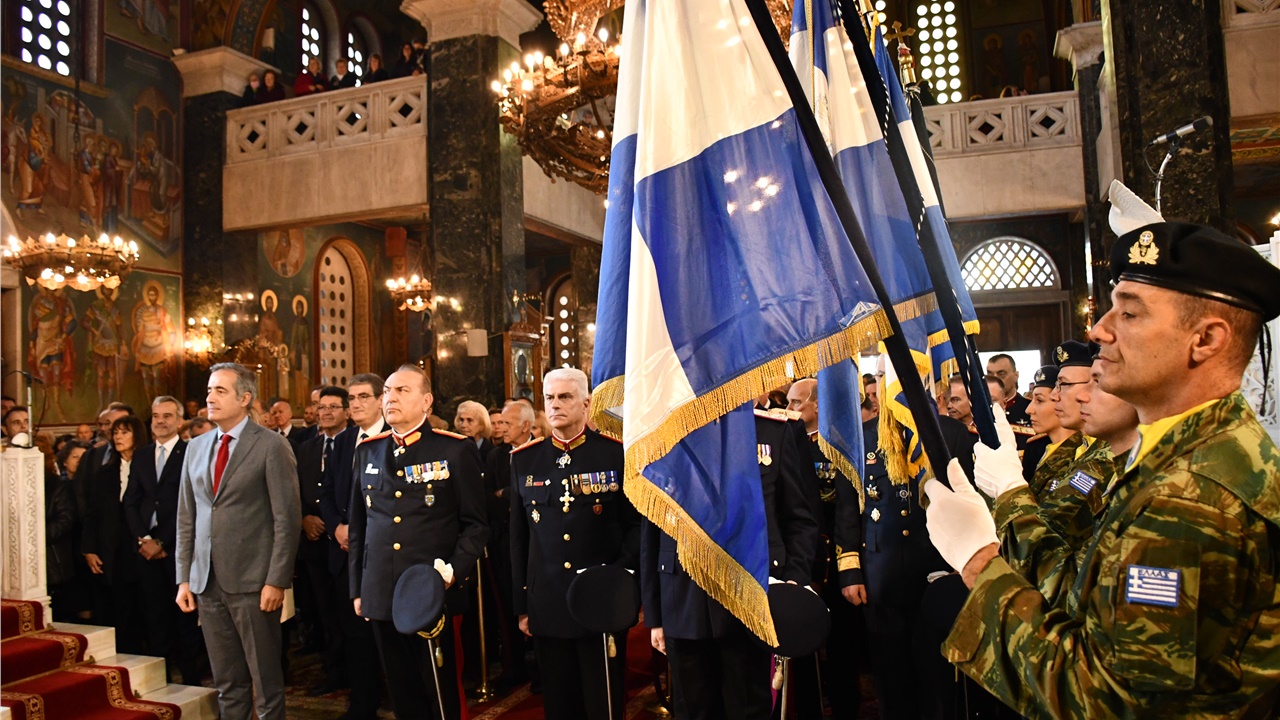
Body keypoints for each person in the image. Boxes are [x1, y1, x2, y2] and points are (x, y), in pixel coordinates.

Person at [925, 222, 1280, 715]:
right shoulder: (1186, 454)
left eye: (1129, 313)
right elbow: (1086, 594)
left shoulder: (1192, 494)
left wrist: (979, 561)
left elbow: (1107, 700)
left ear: (1205, 339)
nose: (1099, 330)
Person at [642, 409, 818, 720]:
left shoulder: (774, 432)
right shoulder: (663, 432)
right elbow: (652, 532)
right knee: (693, 710)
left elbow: (799, 519)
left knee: (748, 707)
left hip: (751, 596)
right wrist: (655, 614)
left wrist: (793, 582)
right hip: (683, 598)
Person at [348, 364, 488, 719]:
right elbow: (359, 527)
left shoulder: (454, 450)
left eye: (401, 391)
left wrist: (451, 572)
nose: (390, 397)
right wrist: (358, 588)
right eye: (387, 391)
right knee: (401, 693)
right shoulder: (368, 450)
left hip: (430, 590)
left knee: (440, 695)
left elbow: (476, 524)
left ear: (426, 401)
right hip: (381, 590)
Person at [509, 368, 640, 720]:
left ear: (587, 403)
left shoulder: (615, 455)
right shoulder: (524, 459)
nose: (555, 405)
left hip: (601, 597)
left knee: (604, 701)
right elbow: (519, 538)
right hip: (548, 599)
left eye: (564, 397)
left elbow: (636, 526)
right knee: (559, 701)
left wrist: (621, 582)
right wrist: (522, 603)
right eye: (549, 398)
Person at [175, 362, 302, 720]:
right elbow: (187, 518)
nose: (209, 398)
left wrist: (277, 580)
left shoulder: (271, 446)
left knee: (266, 682)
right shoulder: (196, 447)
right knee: (227, 682)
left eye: (220, 391)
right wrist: (184, 577)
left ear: (245, 398)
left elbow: (286, 520)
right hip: (207, 581)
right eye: (209, 390)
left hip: (254, 582)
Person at [783, 378, 863, 718]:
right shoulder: (787, 442)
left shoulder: (838, 445)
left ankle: (846, 707)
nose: (789, 409)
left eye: (796, 402)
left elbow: (845, 508)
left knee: (843, 646)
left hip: (834, 560)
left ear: (817, 405)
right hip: (801, 560)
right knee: (800, 646)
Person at [122, 396, 205, 683]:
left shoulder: (190, 452)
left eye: (167, 416)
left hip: (178, 550)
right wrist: (144, 538)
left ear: (180, 421)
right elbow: (131, 501)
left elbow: (191, 504)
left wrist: (162, 542)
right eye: (156, 416)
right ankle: (162, 682)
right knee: (154, 619)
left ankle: (193, 682)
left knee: (184, 619)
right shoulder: (143, 455)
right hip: (145, 551)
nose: (160, 421)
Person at [319, 373, 387, 720]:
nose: (355, 404)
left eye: (363, 397)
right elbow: (327, 492)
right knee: (354, 635)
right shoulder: (343, 441)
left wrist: (360, 533)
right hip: (344, 554)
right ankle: (362, 705)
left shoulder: (394, 437)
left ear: (380, 400)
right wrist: (336, 528)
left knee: (387, 637)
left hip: (382, 555)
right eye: (352, 398)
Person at [294, 386, 350, 696]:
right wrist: (303, 518)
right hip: (314, 543)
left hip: (343, 542)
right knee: (323, 611)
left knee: (348, 612)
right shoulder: (306, 448)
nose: (325, 412)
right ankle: (333, 671)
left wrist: (331, 523)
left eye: (333, 407)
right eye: (321, 407)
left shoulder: (356, 443)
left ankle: (359, 672)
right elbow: (294, 491)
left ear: (346, 412)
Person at [82, 414, 150, 653]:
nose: (118, 436)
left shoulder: (150, 467)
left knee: (147, 607)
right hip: (115, 548)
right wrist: (89, 548)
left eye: (125, 432)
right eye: (116, 432)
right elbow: (92, 513)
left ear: (137, 435)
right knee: (120, 607)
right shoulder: (105, 473)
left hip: (144, 545)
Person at [986, 354, 1031, 425]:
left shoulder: (1030, 408)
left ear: (1016, 376)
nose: (995, 379)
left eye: (1001, 374)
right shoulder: (979, 408)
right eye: (990, 375)